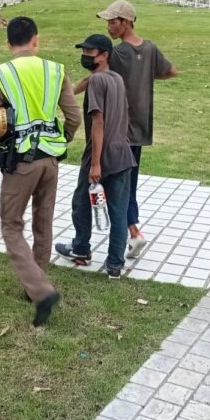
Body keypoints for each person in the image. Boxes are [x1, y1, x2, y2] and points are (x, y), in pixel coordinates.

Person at [0, 16, 81, 327]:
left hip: (20, 163)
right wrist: (61, 140)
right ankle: (37, 287)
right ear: (36, 40)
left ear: (8, 43)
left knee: (11, 226)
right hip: (50, 162)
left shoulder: (0, 74)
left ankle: (41, 292)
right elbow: (74, 116)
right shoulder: (56, 71)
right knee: (43, 223)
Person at [81, 0, 177, 259]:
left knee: (116, 186)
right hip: (141, 128)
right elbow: (171, 71)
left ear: (126, 22)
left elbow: (96, 77)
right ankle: (133, 231)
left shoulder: (118, 53)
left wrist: (69, 91)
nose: (109, 27)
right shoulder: (150, 48)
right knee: (128, 182)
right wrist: (144, 77)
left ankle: (130, 235)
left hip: (119, 129)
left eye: (112, 22)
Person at [55, 34, 135, 279]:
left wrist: (96, 163)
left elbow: (98, 121)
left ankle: (80, 249)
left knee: (81, 203)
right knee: (119, 212)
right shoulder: (115, 78)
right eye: (84, 52)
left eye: (90, 53)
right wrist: (64, 93)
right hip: (123, 154)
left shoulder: (98, 81)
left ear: (104, 55)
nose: (85, 56)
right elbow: (86, 82)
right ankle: (115, 266)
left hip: (100, 155)